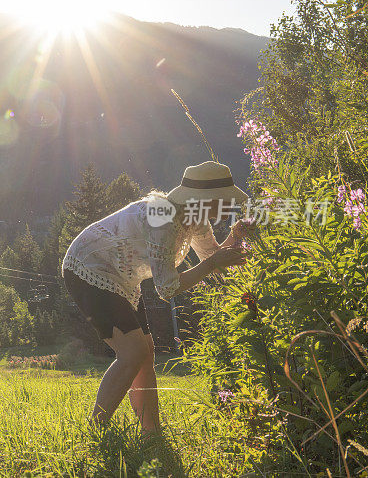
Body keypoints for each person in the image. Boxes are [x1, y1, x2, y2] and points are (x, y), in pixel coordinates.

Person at [61, 160, 255, 433]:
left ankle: (151, 433)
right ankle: (96, 430)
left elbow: (212, 259)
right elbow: (168, 289)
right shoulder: (162, 218)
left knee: (145, 353)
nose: (224, 208)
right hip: (87, 268)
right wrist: (213, 263)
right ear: (202, 200)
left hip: (122, 277)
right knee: (133, 353)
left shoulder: (196, 220)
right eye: (220, 202)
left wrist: (235, 237)